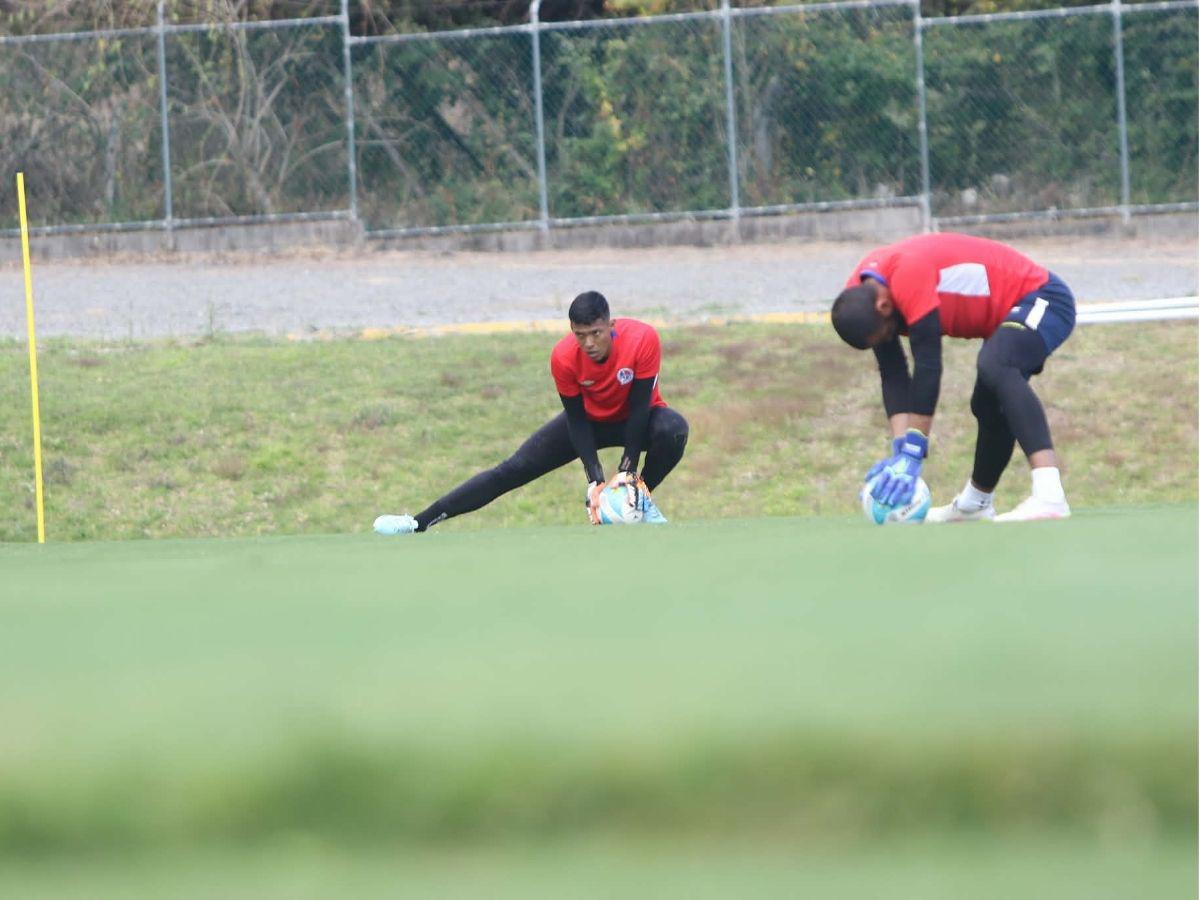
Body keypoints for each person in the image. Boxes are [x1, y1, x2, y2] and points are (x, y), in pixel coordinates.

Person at [373, 291, 689, 534]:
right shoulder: (563, 357)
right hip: (589, 422)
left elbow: (639, 409)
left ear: (611, 325)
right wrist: (595, 481)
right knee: (511, 470)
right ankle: (417, 523)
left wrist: (626, 475)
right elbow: (577, 420)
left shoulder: (642, 339)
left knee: (674, 429)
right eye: (580, 335)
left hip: (635, 418)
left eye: (596, 333)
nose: (589, 343)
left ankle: (636, 501)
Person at [830, 232, 1076, 522]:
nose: (889, 338)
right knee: (987, 404)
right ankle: (976, 503)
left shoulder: (907, 275)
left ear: (884, 306)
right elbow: (893, 372)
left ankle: (1050, 495)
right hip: (1003, 315)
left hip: (1042, 297)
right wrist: (900, 451)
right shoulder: (859, 297)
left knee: (996, 365)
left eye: (886, 334)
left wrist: (914, 450)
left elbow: (928, 366)